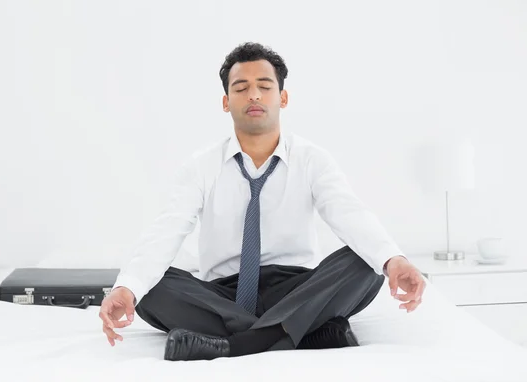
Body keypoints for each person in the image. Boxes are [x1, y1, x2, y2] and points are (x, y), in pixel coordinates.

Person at [99, 42, 425, 361]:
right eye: (241, 88)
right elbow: (166, 230)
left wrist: (393, 260)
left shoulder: (313, 160)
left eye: (264, 86)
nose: (253, 95)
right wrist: (126, 288)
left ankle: (235, 345)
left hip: (295, 289)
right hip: (222, 294)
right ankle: (307, 333)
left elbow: (349, 213)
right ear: (226, 102)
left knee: (367, 264)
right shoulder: (201, 166)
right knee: (149, 287)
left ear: (282, 97)